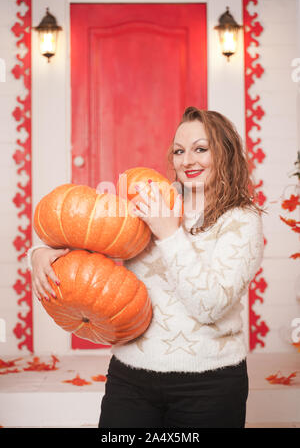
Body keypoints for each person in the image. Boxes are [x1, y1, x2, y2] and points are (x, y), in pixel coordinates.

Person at [27, 107, 265, 428]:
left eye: (200, 149)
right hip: (131, 379)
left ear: (225, 153)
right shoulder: (151, 201)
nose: (187, 161)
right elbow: (90, 230)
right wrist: (43, 252)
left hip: (208, 385)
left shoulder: (242, 220)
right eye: (179, 151)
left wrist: (168, 233)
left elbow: (209, 306)